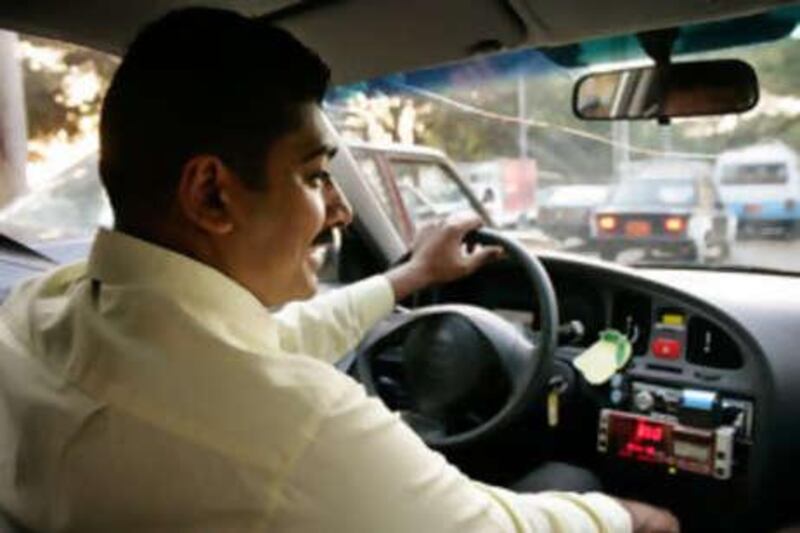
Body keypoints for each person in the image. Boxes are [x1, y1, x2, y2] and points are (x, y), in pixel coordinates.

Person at [0, 8, 679, 533]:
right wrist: (626, 515)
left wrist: (405, 279)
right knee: (567, 474)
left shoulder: (39, 311)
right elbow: (491, 525)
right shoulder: (295, 428)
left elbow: (258, 346)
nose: (342, 210)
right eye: (316, 175)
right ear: (211, 194)